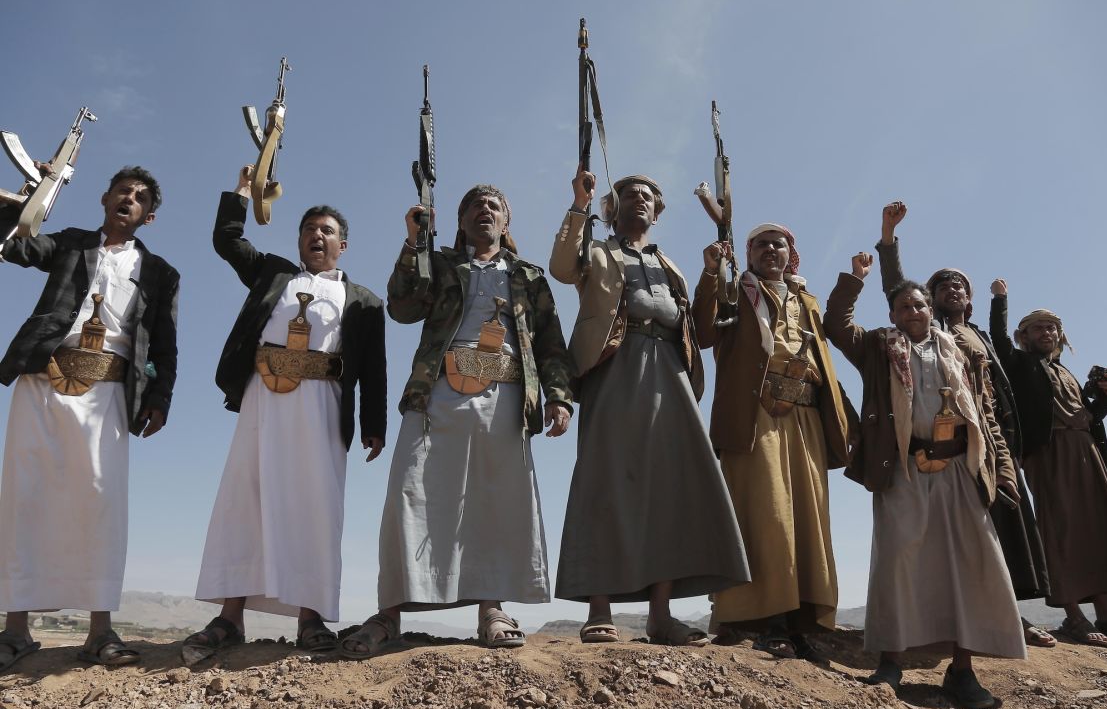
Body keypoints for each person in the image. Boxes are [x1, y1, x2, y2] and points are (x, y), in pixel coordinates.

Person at [341, 184, 573, 658]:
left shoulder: (527, 275)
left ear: (506, 222)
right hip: (438, 393)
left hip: (507, 398)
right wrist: (414, 243)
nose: (485, 211)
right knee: (411, 493)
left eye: (495, 206)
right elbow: (403, 308)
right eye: (474, 206)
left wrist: (560, 397)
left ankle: (492, 608)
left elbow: (550, 341)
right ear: (460, 219)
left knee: (497, 501)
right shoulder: (440, 263)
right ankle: (389, 614)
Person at [184, 165, 386, 664]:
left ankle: (310, 617)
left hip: (324, 406)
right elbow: (227, 240)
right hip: (263, 401)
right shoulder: (273, 273)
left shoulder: (364, 301)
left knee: (315, 507)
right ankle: (230, 617)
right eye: (308, 229)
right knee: (246, 497)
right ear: (297, 240)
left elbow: (375, 368)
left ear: (344, 244)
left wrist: (374, 426)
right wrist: (240, 191)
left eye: (327, 230)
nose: (316, 235)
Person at [550, 167, 749, 646]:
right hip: (616, 365)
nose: (638, 200)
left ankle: (661, 616)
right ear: (614, 208)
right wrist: (580, 205)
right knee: (606, 477)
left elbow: (700, 334)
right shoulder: (597, 251)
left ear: (658, 213)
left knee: (670, 486)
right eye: (629, 195)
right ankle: (600, 608)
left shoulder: (673, 266)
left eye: (647, 197)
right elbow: (560, 267)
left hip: (672, 372)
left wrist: (708, 274)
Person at [824, 253, 1025, 709]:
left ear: (930, 309)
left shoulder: (961, 352)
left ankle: (962, 671)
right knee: (897, 558)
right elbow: (836, 324)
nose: (913, 313)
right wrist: (855, 279)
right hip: (905, 468)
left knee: (970, 564)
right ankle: (890, 663)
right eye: (903, 308)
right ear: (892, 315)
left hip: (959, 469)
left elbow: (986, 416)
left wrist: (1005, 471)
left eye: (919, 305)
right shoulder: (878, 347)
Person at [0, 165, 178, 670]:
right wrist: (24, 203)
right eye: (123, 190)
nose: (130, 198)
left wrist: (159, 399)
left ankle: (100, 631)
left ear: (150, 216)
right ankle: (15, 631)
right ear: (104, 198)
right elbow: (17, 246)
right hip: (42, 378)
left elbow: (165, 346)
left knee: (100, 500)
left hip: (108, 394)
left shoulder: (161, 273)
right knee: (25, 494)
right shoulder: (69, 245)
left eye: (140, 196)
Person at [875, 201, 1053, 647]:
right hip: (944, 448)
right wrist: (890, 238)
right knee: (960, 535)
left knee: (1003, 529)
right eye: (942, 286)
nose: (952, 290)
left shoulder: (980, 337)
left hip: (991, 438)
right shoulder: (929, 330)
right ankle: (943, 627)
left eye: (960, 285)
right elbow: (897, 288)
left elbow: (998, 392)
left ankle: (1007, 616)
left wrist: (1010, 454)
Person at [693, 224, 852, 659]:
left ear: (790, 253)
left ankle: (801, 622)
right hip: (754, 416)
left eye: (777, 244)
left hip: (806, 418)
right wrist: (711, 274)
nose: (770, 250)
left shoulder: (807, 299)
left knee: (807, 519)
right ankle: (766, 621)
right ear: (748, 254)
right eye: (760, 244)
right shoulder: (734, 293)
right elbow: (703, 334)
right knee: (767, 515)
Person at [988, 282, 1107, 648]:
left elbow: (1087, 417)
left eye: (1052, 328)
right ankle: (1073, 617)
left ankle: (1105, 614)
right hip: (1050, 453)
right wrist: (1000, 301)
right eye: (1038, 328)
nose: (1047, 332)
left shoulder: (1065, 372)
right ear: (1023, 336)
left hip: (1088, 452)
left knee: (1099, 527)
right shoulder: (1020, 364)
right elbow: (997, 339)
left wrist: (1104, 398)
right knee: (1060, 530)